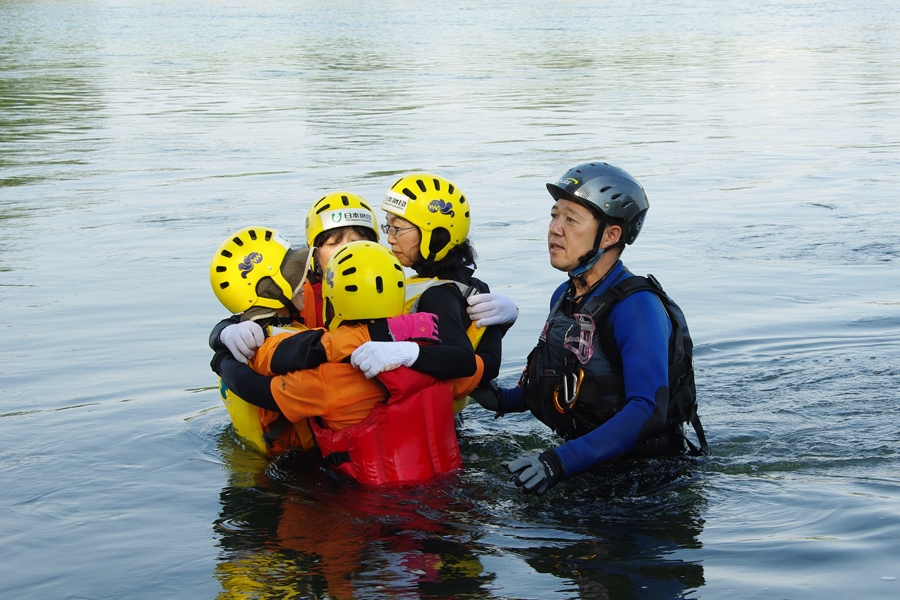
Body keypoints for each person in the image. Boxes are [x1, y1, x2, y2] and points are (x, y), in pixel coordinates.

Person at [471, 161, 709, 495]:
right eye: (554, 215)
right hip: (584, 465)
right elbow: (547, 388)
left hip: (646, 484)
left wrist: (558, 461)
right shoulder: (565, 295)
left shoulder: (637, 308)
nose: (555, 229)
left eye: (571, 219)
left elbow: (648, 409)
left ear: (611, 235)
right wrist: (478, 385)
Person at [212, 240, 462, 485]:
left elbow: (256, 389)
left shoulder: (325, 379)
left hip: (367, 502)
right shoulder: (436, 353)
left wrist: (221, 354)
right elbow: (475, 370)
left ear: (332, 303)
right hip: (446, 486)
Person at [347, 173, 515, 408]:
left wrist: (407, 353)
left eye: (397, 228)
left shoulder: (437, 295)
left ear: (435, 236)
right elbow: (489, 362)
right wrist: (503, 323)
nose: (389, 238)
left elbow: (464, 360)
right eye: (388, 225)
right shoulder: (472, 287)